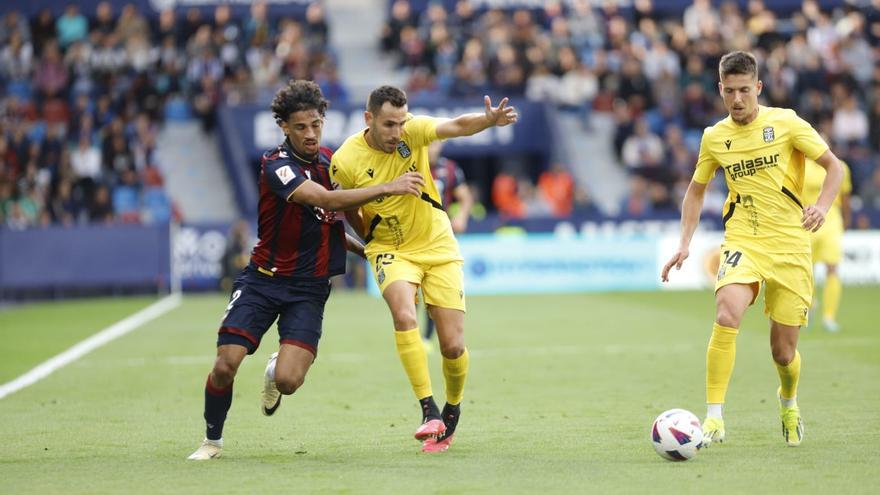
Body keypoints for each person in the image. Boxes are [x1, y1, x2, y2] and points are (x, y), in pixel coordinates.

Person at [188, 80, 424, 460]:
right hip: (263, 280)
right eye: (301, 127)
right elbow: (324, 199)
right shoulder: (275, 165)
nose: (311, 133)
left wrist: (370, 254)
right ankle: (212, 440)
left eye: (316, 124)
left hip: (310, 289)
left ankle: (274, 371)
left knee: (288, 380)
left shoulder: (332, 163)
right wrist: (388, 187)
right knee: (225, 364)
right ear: (284, 127)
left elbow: (332, 221)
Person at [660, 51, 843, 448]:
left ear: (758, 87)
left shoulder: (787, 122)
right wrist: (684, 243)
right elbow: (696, 190)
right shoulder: (714, 137)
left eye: (745, 90)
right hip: (744, 238)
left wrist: (823, 207)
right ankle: (713, 418)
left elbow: (835, 166)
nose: (738, 99)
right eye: (730, 92)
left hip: (791, 245)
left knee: (782, 353)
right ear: (720, 90)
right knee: (727, 311)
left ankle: (788, 401)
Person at [330, 86, 517, 453]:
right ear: (368, 119)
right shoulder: (345, 159)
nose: (398, 132)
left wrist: (488, 121)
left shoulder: (412, 130)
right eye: (388, 124)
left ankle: (452, 407)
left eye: (401, 122)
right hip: (390, 248)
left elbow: (457, 125)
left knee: (452, 345)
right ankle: (427, 408)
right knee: (404, 313)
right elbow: (344, 204)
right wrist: (368, 236)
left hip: (437, 243)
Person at [422, 140, 474, 347]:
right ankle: (413, 335)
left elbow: (465, 197)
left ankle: (426, 338)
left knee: (434, 290)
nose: (432, 148)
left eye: (435, 144)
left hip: (440, 238)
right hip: (411, 236)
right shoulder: (408, 166)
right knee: (410, 291)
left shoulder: (450, 169)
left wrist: (461, 216)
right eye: (427, 144)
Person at [803, 156, 852, 332]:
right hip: (807, 221)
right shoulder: (801, 165)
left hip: (831, 221)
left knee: (832, 268)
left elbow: (845, 196)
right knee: (806, 270)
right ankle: (809, 305)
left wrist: (846, 221)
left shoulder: (840, 166)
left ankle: (829, 316)